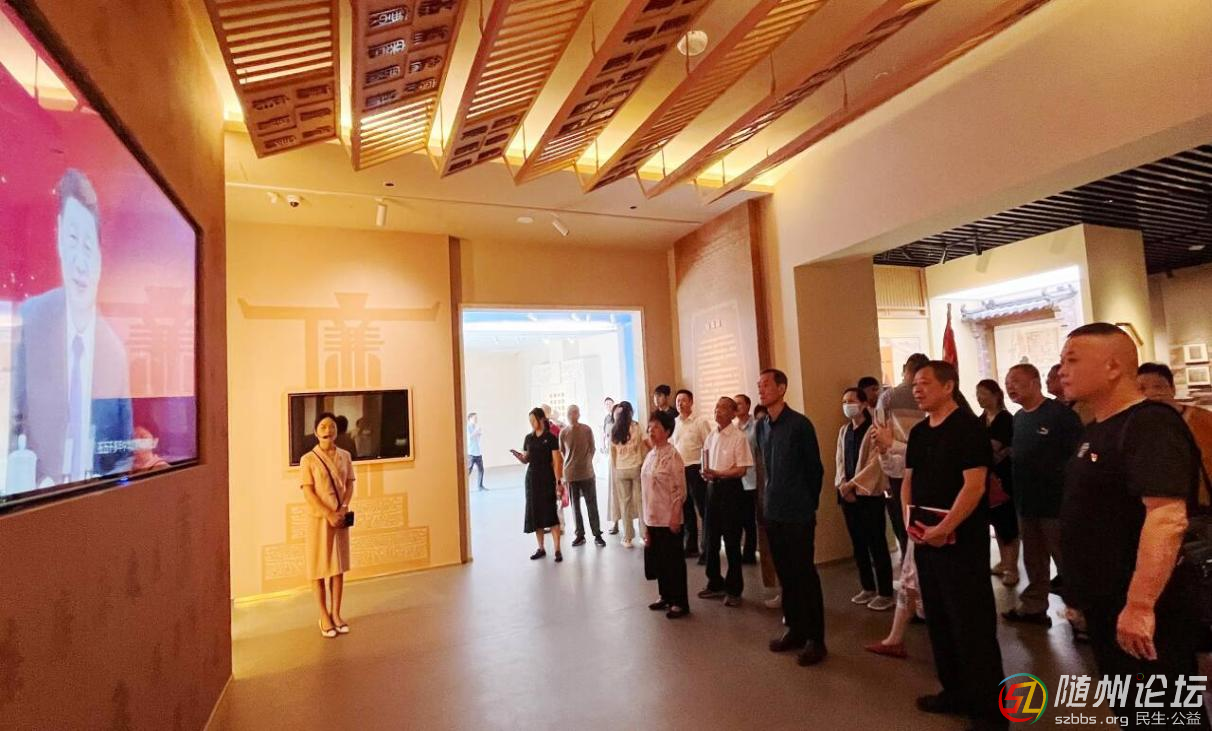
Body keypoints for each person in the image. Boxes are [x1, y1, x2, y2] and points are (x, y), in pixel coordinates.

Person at [1061, 324, 1206, 729]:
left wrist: (1140, 605)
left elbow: (1166, 516)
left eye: (1072, 360)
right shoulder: (1097, 428)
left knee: (1166, 715)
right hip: (1107, 604)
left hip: (1146, 607)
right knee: (1134, 713)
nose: (1062, 371)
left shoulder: (1149, 424)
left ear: (1112, 367)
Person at [9, 168, 133, 486]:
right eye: (72, 240)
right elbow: (10, 425)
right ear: (59, 239)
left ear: (101, 258)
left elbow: (122, 456)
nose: (80, 262)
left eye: (89, 247)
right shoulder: (31, 322)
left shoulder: (114, 352)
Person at [903, 361, 1004, 730]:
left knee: (971, 624)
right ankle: (954, 691)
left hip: (961, 543)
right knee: (939, 620)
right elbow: (908, 481)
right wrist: (909, 520)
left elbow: (974, 486)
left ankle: (990, 712)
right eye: (915, 384)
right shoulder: (918, 432)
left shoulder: (968, 428)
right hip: (927, 540)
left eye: (925, 383)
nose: (917, 389)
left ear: (948, 386)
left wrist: (945, 527)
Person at [1001, 363, 1083, 628]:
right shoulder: (1019, 418)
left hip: (1056, 504)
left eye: (1015, 381)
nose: (1010, 386)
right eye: (1007, 382)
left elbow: (1079, 457)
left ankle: (1082, 615)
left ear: (1035, 382)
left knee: (1067, 561)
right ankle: (1033, 607)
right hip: (1027, 503)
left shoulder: (1060, 415)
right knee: (1034, 560)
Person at [756, 368, 827, 667]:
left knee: (804, 575)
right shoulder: (762, 427)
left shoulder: (800, 425)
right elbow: (766, 470)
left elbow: (815, 471)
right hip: (773, 512)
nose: (761, 390)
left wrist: (807, 505)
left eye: (766, 384)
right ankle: (795, 629)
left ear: (782, 388)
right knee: (786, 575)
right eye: (759, 385)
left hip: (798, 513)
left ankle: (815, 639)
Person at [835, 387, 894, 611]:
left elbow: (875, 463)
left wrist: (853, 484)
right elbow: (840, 460)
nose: (847, 405)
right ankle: (867, 587)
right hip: (847, 496)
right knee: (858, 544)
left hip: (868, 496)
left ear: (862, 404)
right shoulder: (844, 431)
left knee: (876, 543)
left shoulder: (873, 429)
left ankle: (885, 592)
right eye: (844, 401)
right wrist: (843, 484)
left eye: (851, 400)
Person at [299, 412, 355, 638]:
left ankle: (336, 614)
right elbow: (308, 492)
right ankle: (323, 615)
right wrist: (327, 513)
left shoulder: (345, 456)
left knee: (338, 566)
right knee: (319, 567)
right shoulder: (308, 460)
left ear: (336, 431)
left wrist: (343, 507)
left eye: (331, 426)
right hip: (319, 519)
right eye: (323, 426)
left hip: (340, 517)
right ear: (315, 431)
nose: (327, 430)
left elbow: (350, 484)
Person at [871, 353, 930, 559]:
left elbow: (879, 433)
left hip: (897, 467)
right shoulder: (932, 397)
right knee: (925, 521)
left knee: (904, 523)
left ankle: (909, 564)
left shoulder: (888, 397)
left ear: (905, 369)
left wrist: (885, 463)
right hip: (926, 468)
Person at [699, 396, 754, 607]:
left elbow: (741, 469)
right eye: (716, 407)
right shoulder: (711, 436)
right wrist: (706, 473)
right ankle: (714, 582)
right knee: (711, 539)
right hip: (712, 489)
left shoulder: (739, 437)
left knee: (731, 541)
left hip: (731, 490)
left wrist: (719, 473)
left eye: (723, 408)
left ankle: (734, 589)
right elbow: (706, 461)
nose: (718, 411)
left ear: (733, 413)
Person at [1138, 362, 1212, 510]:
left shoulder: (1203, 419)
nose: (1151, 393)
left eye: (1158, 386)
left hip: (1201, 508)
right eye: (1142, 389)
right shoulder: (1135, 426)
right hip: (1159, 508)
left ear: (1172, 389)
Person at [641, 409, 689, 619]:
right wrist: (645, 521)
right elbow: (645, 489)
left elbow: (680, 490)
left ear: (668, 431)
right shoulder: (651, 455)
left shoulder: (673, 456)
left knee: (673, 561)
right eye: (650, 427)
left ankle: (679, 601)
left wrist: (675, 516)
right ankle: (665, 595)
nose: (651, 431)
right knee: (659, 560)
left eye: (657, 428)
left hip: (669, 517)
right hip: (652, 516)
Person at [977, 379, 1019, 587]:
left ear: (995, 395)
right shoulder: (981, 419)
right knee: (997, 523)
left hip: (1003, 478)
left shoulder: (1004, 419)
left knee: (1007, 524)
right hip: (987, 479)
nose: (980, 398)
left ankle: (1012, 567)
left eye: (983, 393)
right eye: (978, 394)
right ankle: (1004, 561)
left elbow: (991, 447)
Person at [511, 407, 564, 562]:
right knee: (536, 514)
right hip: (532, 479)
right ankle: (541, 548)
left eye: (534, 420)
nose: (532, 423)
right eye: (530, 421)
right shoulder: (529, 438)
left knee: (551, 512)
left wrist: (558, 482)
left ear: (541, 419)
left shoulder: (551, 438)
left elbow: (556, 461)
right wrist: (518, 456)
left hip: (547, 478)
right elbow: (526, 459)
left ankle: (557, 549)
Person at [672, 389, 713, 561]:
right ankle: (691, 547)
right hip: (680, 470)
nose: (680, 404)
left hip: (696, 469)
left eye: (683, 400)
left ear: (691, 402)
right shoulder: (674, 423)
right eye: (678, 401)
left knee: (703, 510)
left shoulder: (700, 421)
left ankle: (708, 549)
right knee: (686, 510)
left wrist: (706, 469)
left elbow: (708, 446)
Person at [560, 405, 605, 548]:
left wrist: (586, 462)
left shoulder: (587, 430)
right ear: (567, 415)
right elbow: (563, 452)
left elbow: (592, 448)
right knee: (575, 507)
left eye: (575, 412)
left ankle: (597, 534)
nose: (573, 415)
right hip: (571, 474)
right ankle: (580, 535)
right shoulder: (563, 433)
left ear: (579, 414)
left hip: (587, 473)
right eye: (570, 413)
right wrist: (570, 463)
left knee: (592, 504)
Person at [610, 401, 646, 548]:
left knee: (625, 504)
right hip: (636, 467)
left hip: (621, 469)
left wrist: (616, 467)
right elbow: (642, 447)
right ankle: (644, 535)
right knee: (641, 502)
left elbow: (612, 452)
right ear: (631, 412)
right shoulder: (636, 427)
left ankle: (628, 538)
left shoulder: (614, 429)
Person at [733, 394, 760, 564]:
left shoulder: (756, 426)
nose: (736, 407)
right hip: (737, 480)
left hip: (753, 478)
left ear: (748, 406)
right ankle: (743, 551)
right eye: (734, 404)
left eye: (739, 404)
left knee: (751, 519)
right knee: (741, 518)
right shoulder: (733, 429)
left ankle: (750, 553)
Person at [602, 398, 619, 535]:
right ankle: (615, 522)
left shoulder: (629, 425)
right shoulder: (607, 420)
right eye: (606, 404)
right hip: (613, 461)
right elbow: (605, 436)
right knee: (614, 492)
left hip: (625, 462)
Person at [466, 413, 485, 491]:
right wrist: (476, 431)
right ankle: (464, 486)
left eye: (476, 418)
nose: (476, 420)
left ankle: (480, 486)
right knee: (468, 470)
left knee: (481, 470)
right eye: (474, 418)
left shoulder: (475, 427)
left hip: (478, 452)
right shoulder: (467, 427)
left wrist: (479, 434)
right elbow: (469, 437)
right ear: (470, 419)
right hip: (471, 453)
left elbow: (477, 439)